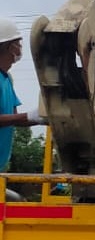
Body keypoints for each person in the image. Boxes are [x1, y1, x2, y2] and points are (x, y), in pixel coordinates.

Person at [0, 19, 44, 174]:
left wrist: (40, 118)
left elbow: (13, 119)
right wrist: (30, 115)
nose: (20, 47)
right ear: (8, 46)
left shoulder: (6, 79)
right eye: (18, 43)